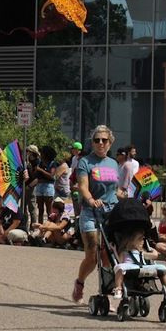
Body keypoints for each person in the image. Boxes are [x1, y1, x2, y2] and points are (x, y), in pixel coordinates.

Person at [71, 125, 122, 304]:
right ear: (92, 142)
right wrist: (91, 200)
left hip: (110, 212)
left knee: (108, 254)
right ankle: (80, 282)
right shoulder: (85, 162)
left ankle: (105, 295)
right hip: (91, 211)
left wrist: (125, 196)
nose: (101, 143)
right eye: (97, 140)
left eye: (104, 140)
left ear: (110, 143)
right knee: (92, 255)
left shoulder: (113, 163)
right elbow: (83, 186)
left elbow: (115, 190)